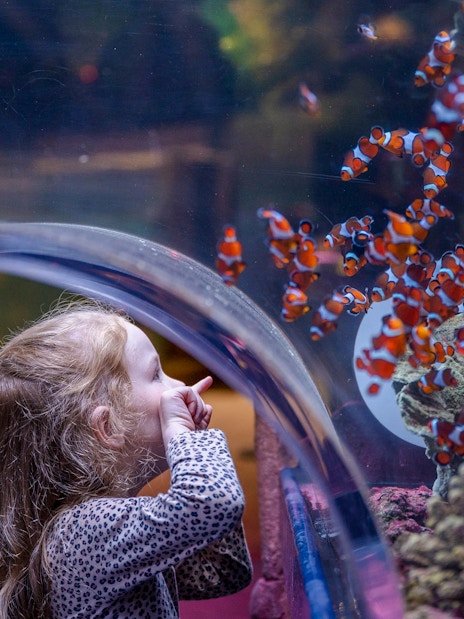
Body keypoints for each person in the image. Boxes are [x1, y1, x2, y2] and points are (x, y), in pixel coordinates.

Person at [0, 300, 252, 618]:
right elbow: (213, 504)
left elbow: (222, 570)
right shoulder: (82, 533)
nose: (177, 386)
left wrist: (195, 442)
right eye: (156, 375)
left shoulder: (102, 527)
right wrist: (184, 440)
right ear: (108, 427)